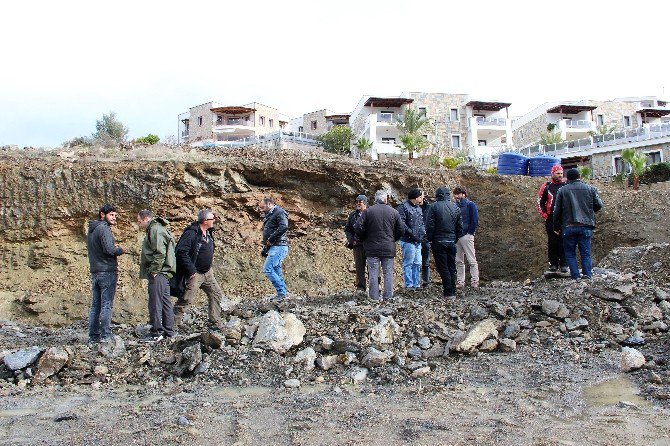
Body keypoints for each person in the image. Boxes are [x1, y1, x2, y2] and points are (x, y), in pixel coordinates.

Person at [173, 209, 231, 331]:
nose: (214, 221)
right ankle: (173, 324)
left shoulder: (208, 233)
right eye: (212, 219)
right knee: (186, 299)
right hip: (195, 273)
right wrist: (191, 270)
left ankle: (214, 321)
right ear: (205, 221)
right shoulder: (191, 234)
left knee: (216, 293)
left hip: (207, 273)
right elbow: (181, 252)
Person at [354, 189, 405, 301]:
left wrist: (364, 238)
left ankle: (374, 297)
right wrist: (393, 239)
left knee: (373, 273)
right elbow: (401, 229)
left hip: (372, 248)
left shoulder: (368, 211)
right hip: (388, 247)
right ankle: (388, 297)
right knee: (388, 274)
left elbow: (358, 227)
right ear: (386, 200)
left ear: (375, 200)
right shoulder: (394, 212)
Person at [553, 168, 603, 280]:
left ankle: (575, 277)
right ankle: (587, 275)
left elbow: (557, 211)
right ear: (579, 176)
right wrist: (589, 210)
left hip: (568, 226)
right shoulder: (590, 188)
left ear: (568, 178)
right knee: (586, 253)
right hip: (586, 225)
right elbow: (598, 205)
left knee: (570, 253)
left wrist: (556, 226)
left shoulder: (562, 190)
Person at [86, 204, 125, 345]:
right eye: (111, 215)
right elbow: (109, 249)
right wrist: (120, 250)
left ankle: (93, 336)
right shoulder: (104, 229)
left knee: (95, 305)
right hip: (107, 271)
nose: (114, 218)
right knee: (106, 304)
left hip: (95, 271)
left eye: (115, 215)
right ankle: (106, 335)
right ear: (102, 215)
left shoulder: (92, 229)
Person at [137, 210, 177, 342]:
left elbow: (160, 252)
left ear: (146, 218)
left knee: (155, 303)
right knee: (165, 302)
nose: (138, 224)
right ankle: (169, 332)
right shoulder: (158, 229)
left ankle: (156, 332)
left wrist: (154, 270)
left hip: (159, 273)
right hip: (164, 273)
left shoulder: (155, 230)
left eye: (139, 221)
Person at [425, 187, 463, 300]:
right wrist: (455, 238)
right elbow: (460, 227)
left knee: (443, 267)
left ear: (438, 195)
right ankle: (453, 291)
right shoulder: (455, 207)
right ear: (448, 195)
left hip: (438, 241)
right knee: (452, 266)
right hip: (451, 241)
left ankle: (449, 292)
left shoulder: (433, 207)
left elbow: (430, 225)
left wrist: (430, 238)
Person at [537, 164, 568, 273]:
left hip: (564, 218)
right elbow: (540, 202)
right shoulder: (546, 186)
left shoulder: (566, 185)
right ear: (552, 174)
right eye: (558, 173)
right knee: (552, 241)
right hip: (551, 218)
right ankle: (553, 264)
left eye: (561, 173)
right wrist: (544, 215)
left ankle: (564, 264)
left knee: (564, 240)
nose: (560, 175)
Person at [260, 198, 290, 302]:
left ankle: (282, 293)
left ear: (269, 204)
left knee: (268, 269)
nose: (261, 210)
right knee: (276, 269)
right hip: (275, 246)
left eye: (263, 207)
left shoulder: (280, 212)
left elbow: (284, 227)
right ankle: (282, 293)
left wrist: (271, 239)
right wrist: (266, 248)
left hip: (279, 246)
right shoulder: (271, 215)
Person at [397, 188, 426, 289]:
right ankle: (409, 285)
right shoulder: (403, 207)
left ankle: (416, 284)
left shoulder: (419, 208)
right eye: (422, 196)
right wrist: (412, 234)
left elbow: (421, 223)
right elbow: (401, 223)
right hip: (408, 240)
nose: (423, 197)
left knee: (417, 263)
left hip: (418, 241)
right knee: (408, 263)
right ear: (416, 197)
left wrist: (422, 234)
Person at [453, 186, 480, 289]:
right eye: (455, 194)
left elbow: (475, 220)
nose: (456, 196)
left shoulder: (470, 205)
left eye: (458, 194)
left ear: (464, 194)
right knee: (458, 261)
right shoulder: (455, 206)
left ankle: (475, 281)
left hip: (466, 236)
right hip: (457, 237)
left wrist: (470, 232)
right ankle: (460, 282)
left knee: (471, 260)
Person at [345, 194, 368, 292]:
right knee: (359, 266)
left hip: (370, 244)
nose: (358, 204)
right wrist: (351, 240)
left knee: (373, 266)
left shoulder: (371, 213)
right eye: (357, 202)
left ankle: (375, 286)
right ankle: (360, 287)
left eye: (360, 202)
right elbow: (347, 229)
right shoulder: (353, 215)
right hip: (358, 245)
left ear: (365, 203)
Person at [420, 197, 432, 287]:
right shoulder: (429, 208)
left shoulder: (428, 208)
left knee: (425, 262)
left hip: (424, 238)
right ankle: (425, 281)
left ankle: (425, 281)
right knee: (424, 262)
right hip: (423, 237)